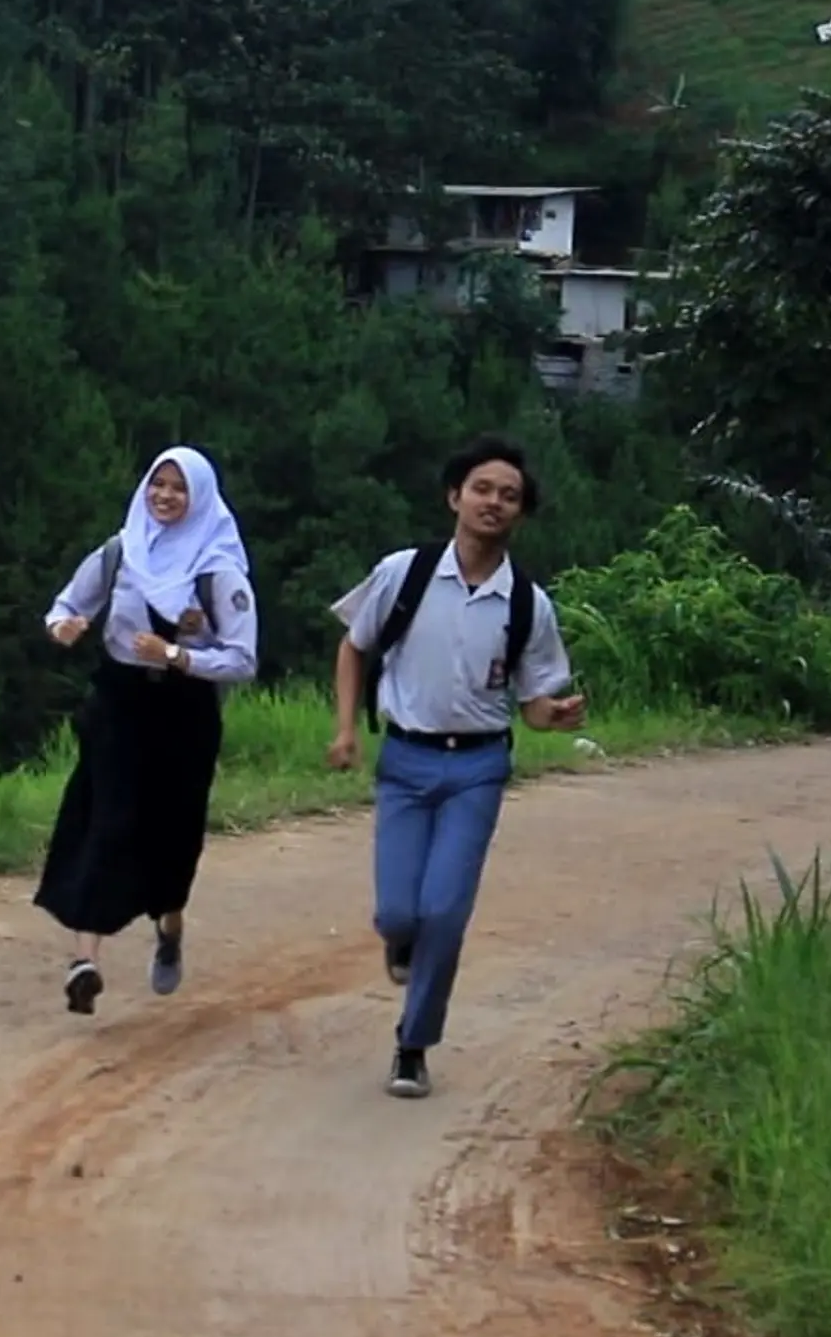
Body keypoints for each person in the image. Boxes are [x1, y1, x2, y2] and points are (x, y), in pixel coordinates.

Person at [325, 433, 586, 1098]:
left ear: (521, 512)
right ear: (454, 496)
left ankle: (413, 1045)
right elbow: (354, 647)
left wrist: (552, 716)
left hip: (477, 768)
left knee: (445, 911)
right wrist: (346, 728)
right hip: (405, 760)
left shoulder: (528, 603)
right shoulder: (405, 573)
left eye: (509, 495)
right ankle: (401, 942)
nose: (493, 502)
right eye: (482, 489)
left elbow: (531, 701)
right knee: (397, 912)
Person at [36, 446, 260, 1015]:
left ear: (200, 498)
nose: (164, 496)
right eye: (157, 484)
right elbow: (66, 601)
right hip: (120, 705)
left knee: (173, 835)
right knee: (105, 821)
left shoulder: (219, 573)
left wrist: (180, 656)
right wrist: (64, 626)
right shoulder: (121, 552)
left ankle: (170, 926)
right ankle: (85, 959)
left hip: (183, 713)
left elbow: (242, 659)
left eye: (178, 488)